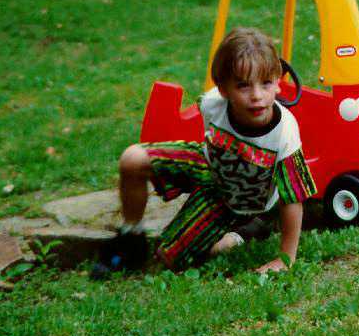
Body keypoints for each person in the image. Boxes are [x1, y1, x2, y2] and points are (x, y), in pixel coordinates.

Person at [97, 27, 317, 276]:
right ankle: (130, 236)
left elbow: (293, 199)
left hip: (241, 201)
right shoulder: (213, 103)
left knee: (168, 258)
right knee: (132, 159)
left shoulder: (284, 133)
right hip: (209, 166)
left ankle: (244, 231)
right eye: (243, 86)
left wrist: (285, 259)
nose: (257, 96)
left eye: (266, 83)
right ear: (224, 89)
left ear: (278, 82)